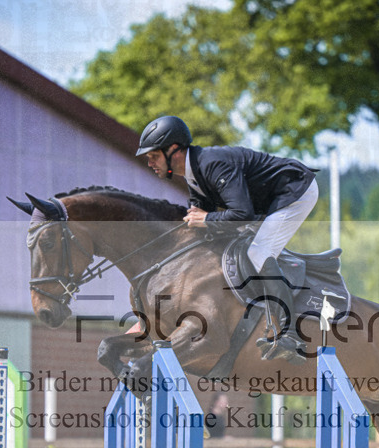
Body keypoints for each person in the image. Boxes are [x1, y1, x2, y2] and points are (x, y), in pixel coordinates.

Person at [136, 115, 317, 363]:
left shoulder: (212, 165)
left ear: (174, 150)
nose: (150, 163)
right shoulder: (193, 174)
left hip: (295, 193)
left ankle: (290, 334)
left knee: (259, 253)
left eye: (153, 156)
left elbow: (242, 214)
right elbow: (204, 221)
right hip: (269, 201)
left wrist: (207, 220)